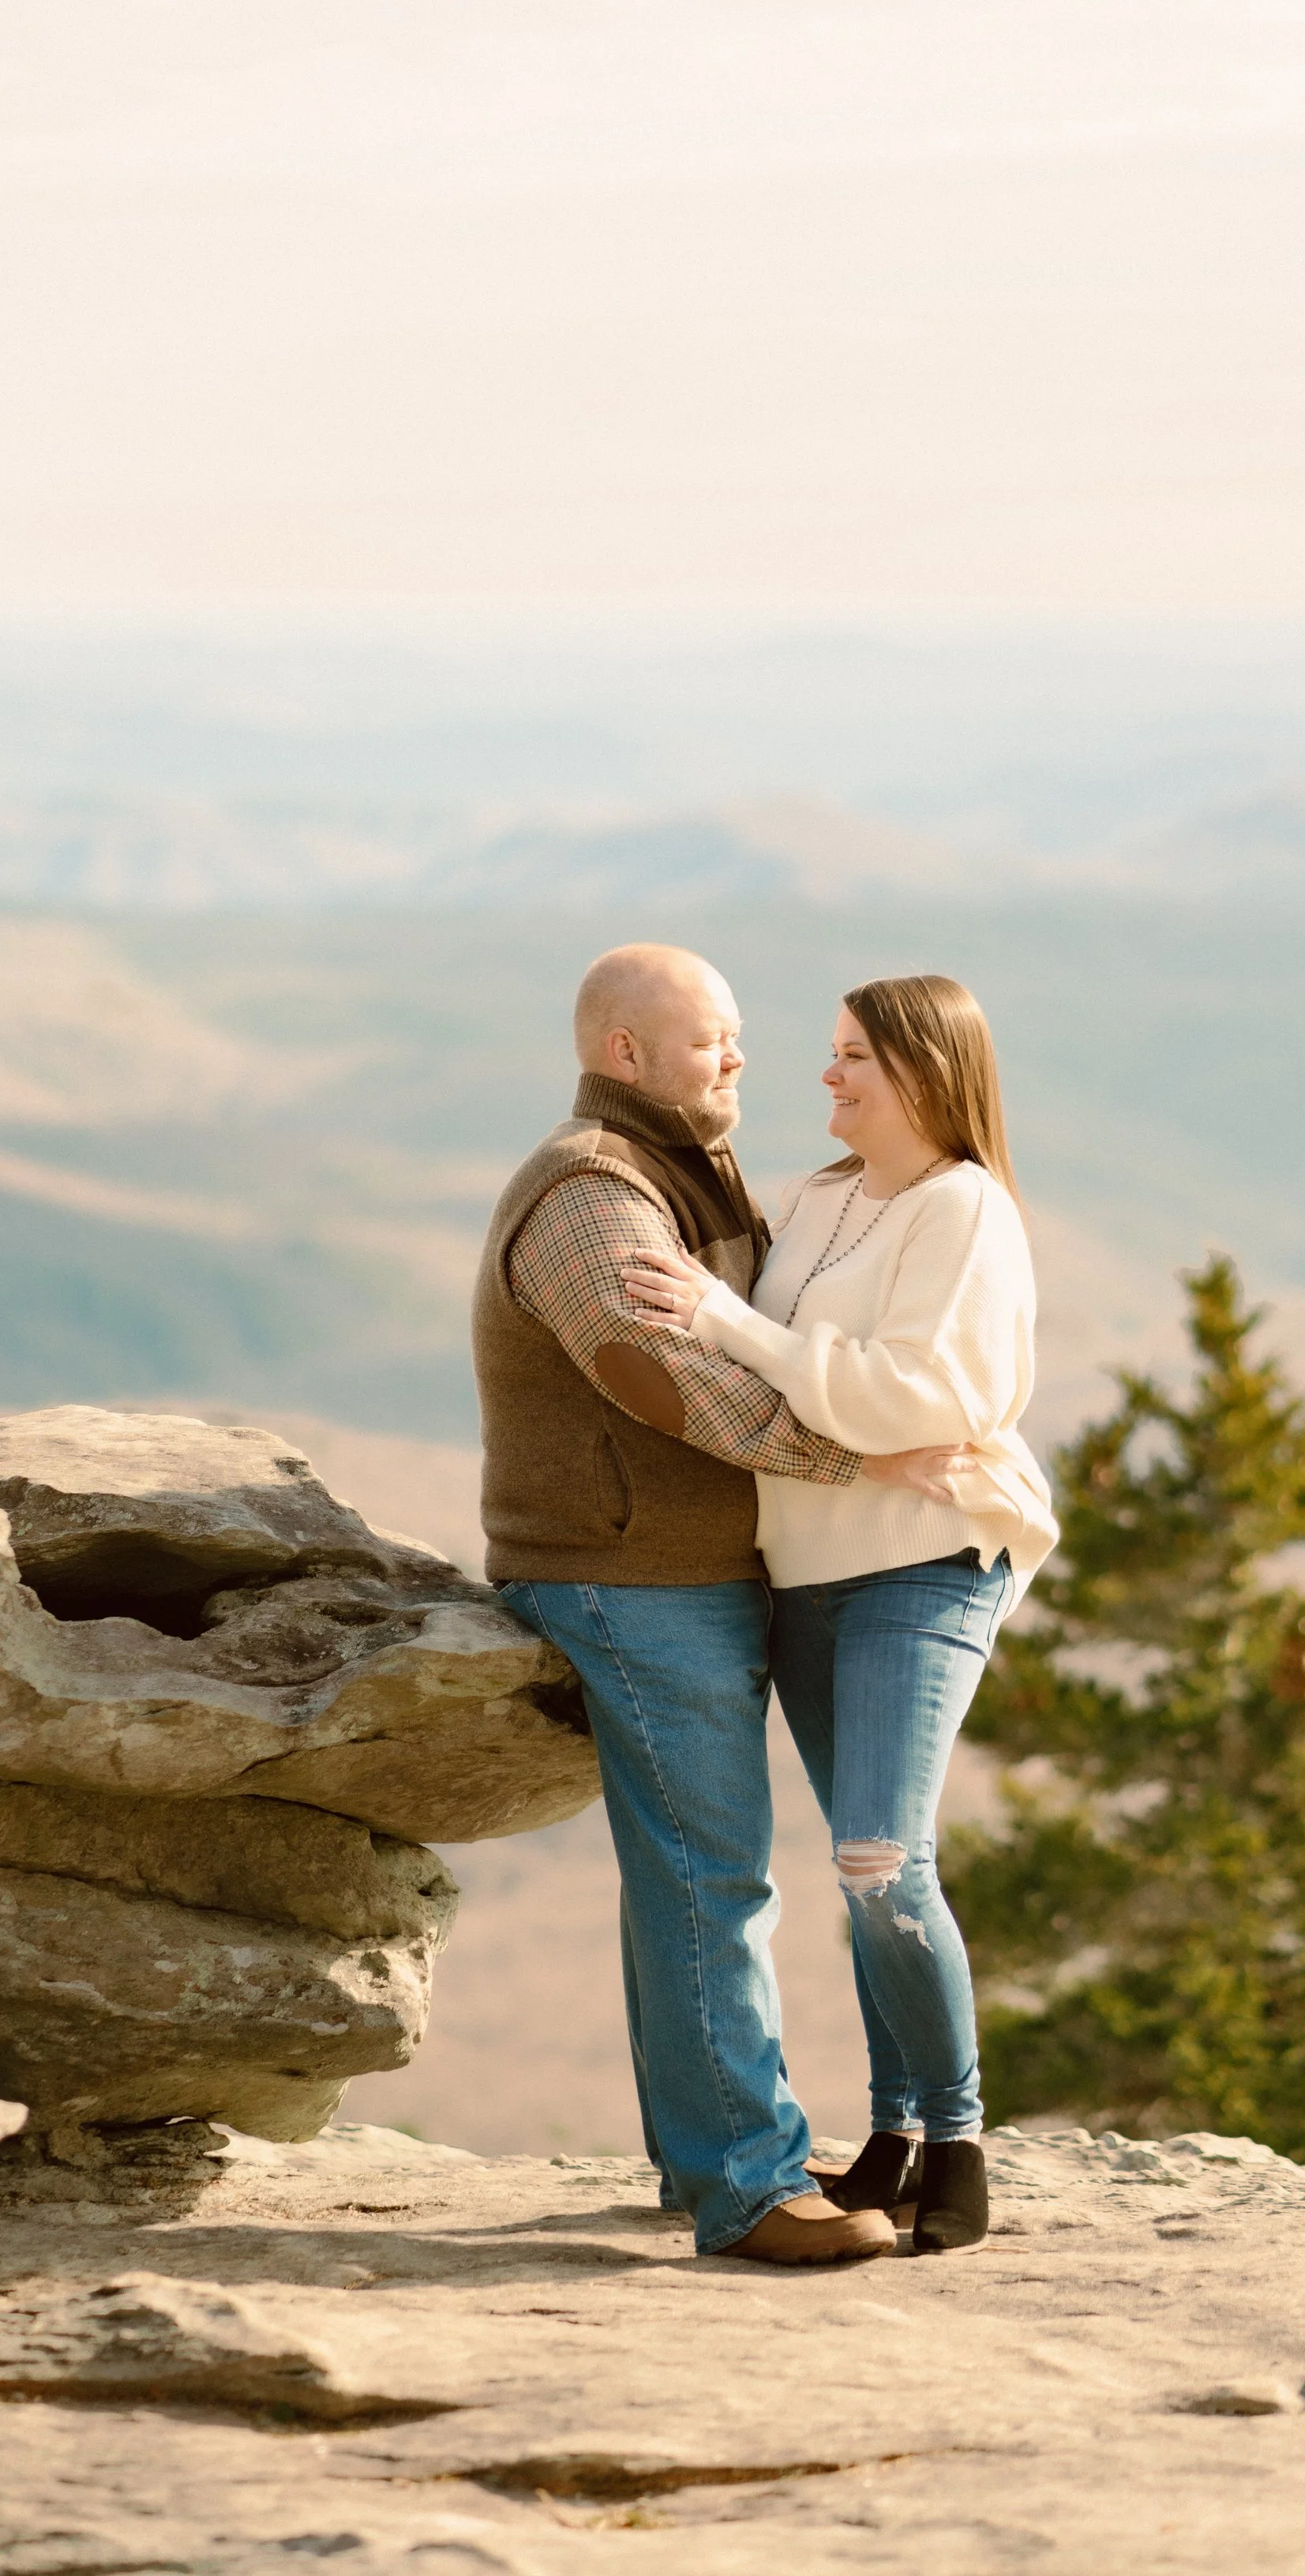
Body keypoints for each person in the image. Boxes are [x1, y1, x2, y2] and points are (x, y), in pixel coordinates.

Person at [472, 943, 966, 2267]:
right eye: (712, 1042)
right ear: (624, 1055)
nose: (742, 1061)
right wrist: (861, 1459)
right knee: (714, 1878)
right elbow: (663, 1378)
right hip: (623, 1578)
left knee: (687, 1879)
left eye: (742, 1037)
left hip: (688, 1576)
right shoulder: (590, 1195)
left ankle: (706, 2154)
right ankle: (745, 2192)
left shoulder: (688, 1175)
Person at [623, 973, 1056, 2257]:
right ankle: (895, 2135)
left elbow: (912, 1398)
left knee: (881, 1858)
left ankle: (961, 2137)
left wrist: (733, 1323)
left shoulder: (966, 1210)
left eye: (855, 1056)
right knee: (864, 1874)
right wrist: (758, 1351)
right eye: (830, 1055)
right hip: (802, 1567)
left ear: (926, 1071)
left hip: (928, 1557)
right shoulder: (811, 1202)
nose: (827, 1078)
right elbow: (830, 1399)